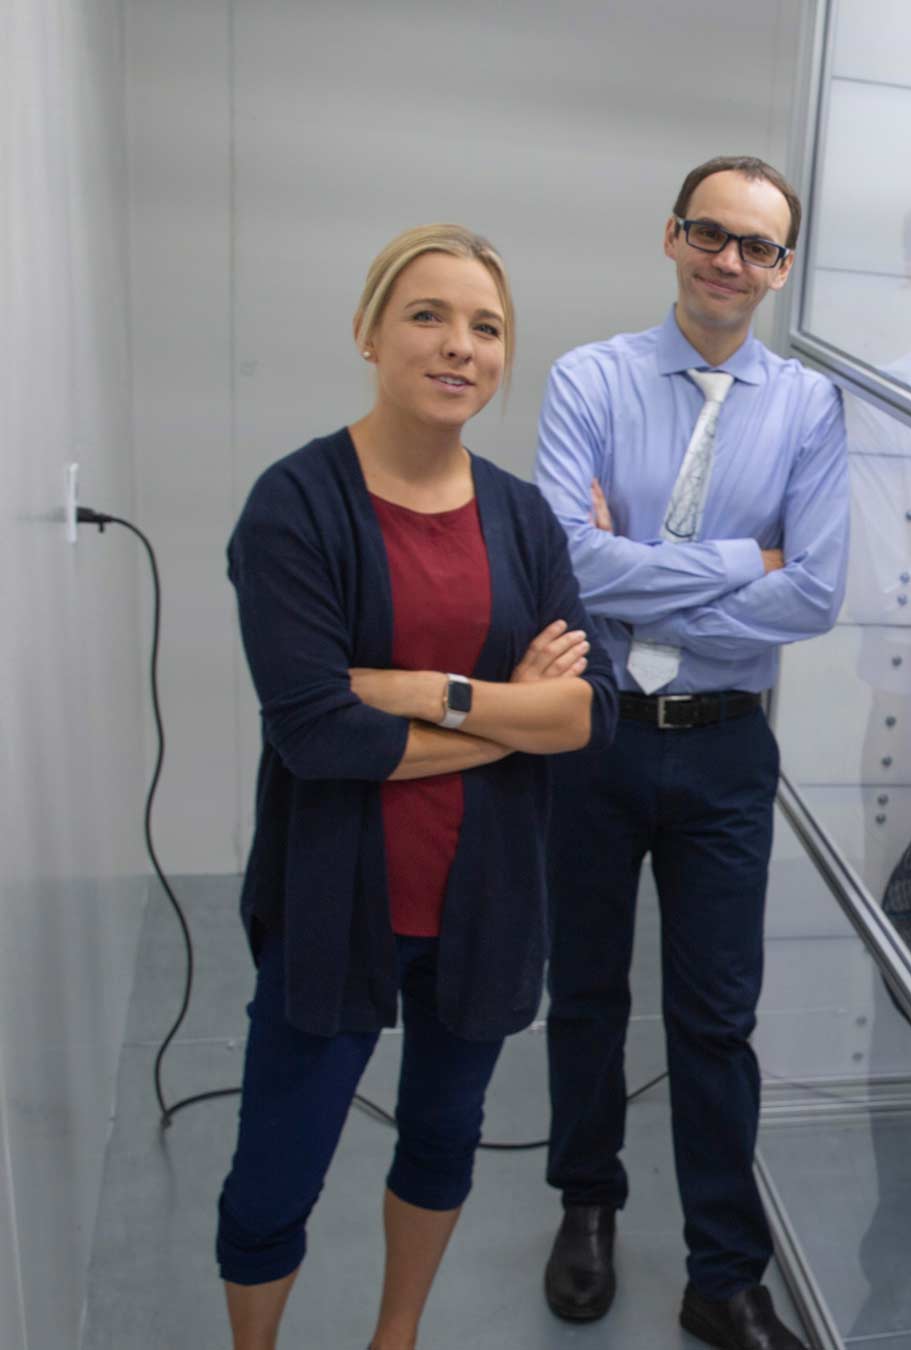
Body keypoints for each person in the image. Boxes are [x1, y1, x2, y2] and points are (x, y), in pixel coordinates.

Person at [218, 224, 615, 1350]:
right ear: (367, 331)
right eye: (427, 316)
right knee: (272, 1174)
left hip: (481, 900)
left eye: (485, 327)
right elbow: (316, 735)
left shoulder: (522, 516)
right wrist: (506, 720)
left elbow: (586, 715)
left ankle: (396, 1336)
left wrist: (424, 692)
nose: (458, 346)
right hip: (335, 902)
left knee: (443, 1138)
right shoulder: (295, 506)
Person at [534, 154, 849, 1350]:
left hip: (723, 752)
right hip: (597, 736)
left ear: (781, 268)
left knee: (716, 1018)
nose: (731, 262)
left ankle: (722, 1273)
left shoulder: (809, 407)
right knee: (587, 994)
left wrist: (642, 587)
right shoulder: (589, 382)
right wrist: (741, 567)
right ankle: (588, 1207)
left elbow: (816, 597)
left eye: (758, 247)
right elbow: (565, 564)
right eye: (710, 235)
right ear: (672, 237)